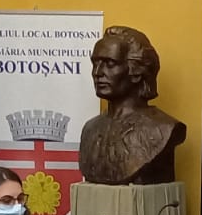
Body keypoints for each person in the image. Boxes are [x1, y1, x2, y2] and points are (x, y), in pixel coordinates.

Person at [76, 26, 187, 185]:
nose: (97, 72)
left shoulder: (163, 128)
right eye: (95, 63)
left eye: (110, 63)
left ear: (137, 71)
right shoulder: (90, 129)